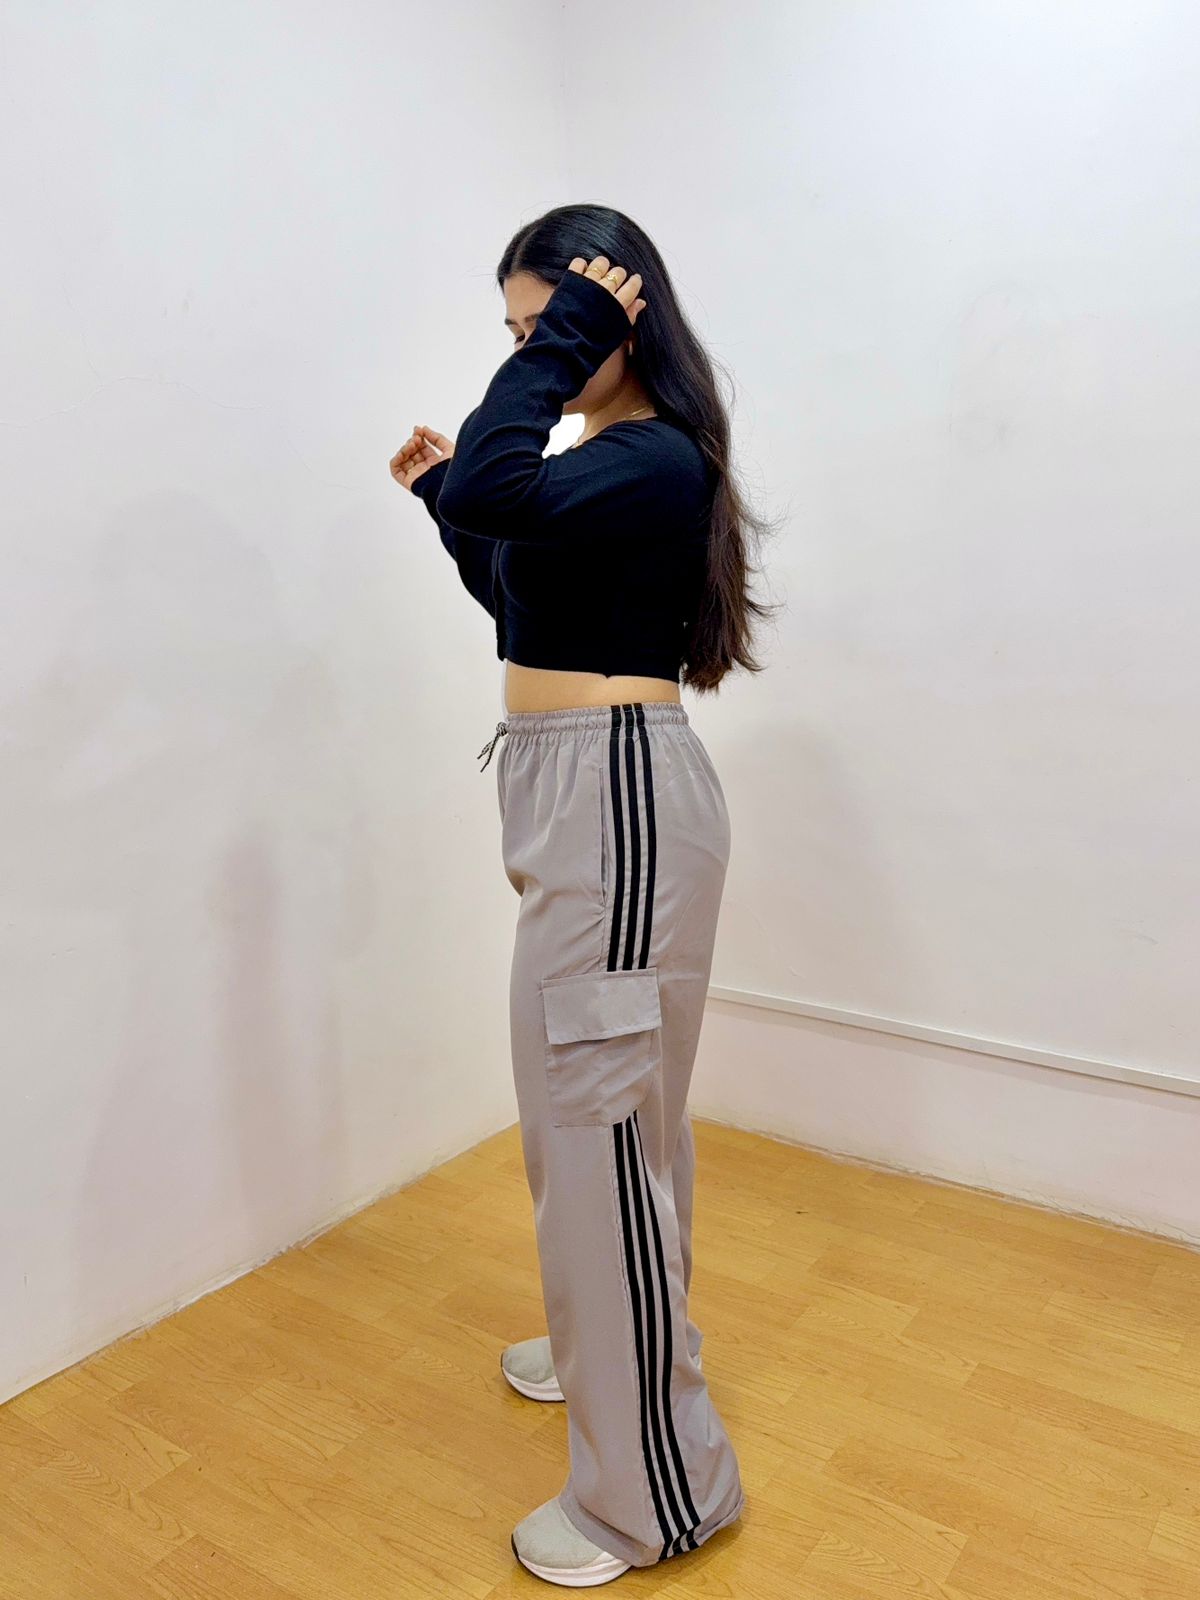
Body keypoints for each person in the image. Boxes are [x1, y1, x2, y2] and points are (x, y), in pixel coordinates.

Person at [390, 204, 777, 1587]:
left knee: (599, 1124)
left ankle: (651, 1499)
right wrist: (445, 496)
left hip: (616, 798)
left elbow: (505, 489)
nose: (531, 354)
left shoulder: (657, 457)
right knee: (594, 1126)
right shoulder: (605, 468)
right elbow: (518, 592)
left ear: (615, 317)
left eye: (547, 325)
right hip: (576, 793)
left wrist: (555, 355)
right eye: (517, 334)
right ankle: (602, 1343)